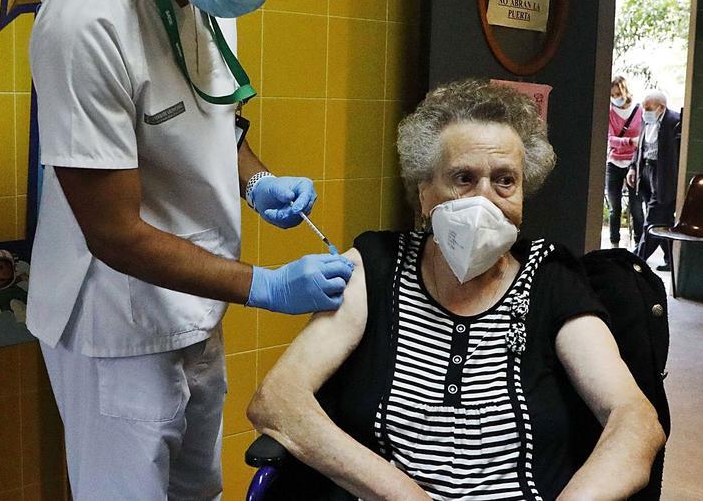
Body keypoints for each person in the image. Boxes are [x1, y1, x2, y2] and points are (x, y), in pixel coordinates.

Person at [26, 0, 352, 498]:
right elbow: (113, 234)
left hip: (196, 303)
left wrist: (256, 182)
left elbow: (216, 118)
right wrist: (265, 285)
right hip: (115, 319)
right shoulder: (88, 22)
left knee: (199, 492)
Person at [248, 80, 666, 500]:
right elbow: (278, 399)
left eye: (505, 181)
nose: (484, 199)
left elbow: (634, 419)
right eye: (463, 178)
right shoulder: (377, 268)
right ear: (425, 192)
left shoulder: (549, 279)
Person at [629, 90, 681, 271]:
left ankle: (636, 259)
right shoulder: (646, 120)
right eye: (644, 108)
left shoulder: (675, 122)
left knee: (653, 217)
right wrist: (633, 168)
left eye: (649, 108)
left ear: (661, 107)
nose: (645, 111)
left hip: (664, 175)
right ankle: (669, 258)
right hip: (646, 170)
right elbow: (640, 145)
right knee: (663, 219)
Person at [605, 75, 644, 247]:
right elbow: (610, 139)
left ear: (625, 91)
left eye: (617, 94)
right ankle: (614, 244)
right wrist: (629, 141)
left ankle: (639, 245)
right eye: (612, 95)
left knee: (636, 208)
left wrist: (634, 143)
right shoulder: (610, 112)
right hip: (614, 163)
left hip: (634, 164)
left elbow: (643, 139)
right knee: (615, 208)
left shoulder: (639, 111)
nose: (616, 98)